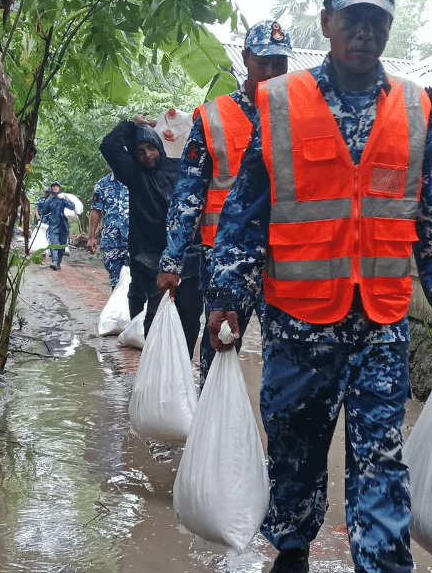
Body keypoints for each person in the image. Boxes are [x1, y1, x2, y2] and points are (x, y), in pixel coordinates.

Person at [205, 0, 432, 573]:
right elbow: (245, 210)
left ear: (389, 25)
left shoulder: (415, 107)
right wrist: (228, 298)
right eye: (351, 17)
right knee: (294, 450)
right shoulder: (279, 103)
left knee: (381, 457)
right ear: (326, 24)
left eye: (377, 19)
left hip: (381, 320)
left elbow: (430, 211)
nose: (364, 30)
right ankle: (291, 560)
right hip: (299, 321)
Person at [157, 19, 294, 381]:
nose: (271, 72)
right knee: (219, 343)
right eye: (263, 62)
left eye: (279, 64)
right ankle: (207, 425)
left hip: (287, 257)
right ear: (246, 58)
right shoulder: (213, 117)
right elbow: (187, 194)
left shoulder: (300, 115)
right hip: (225, 258)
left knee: (287, 354)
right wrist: (172, 260)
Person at [100, 113, 204, 355]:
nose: (147, 155)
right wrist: (133, 124)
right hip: (149, 254)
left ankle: (182, 366)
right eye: (140, 151)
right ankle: (154, 363)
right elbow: (109, 146)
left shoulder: (180, 169)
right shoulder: (134, 175)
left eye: (151, 148)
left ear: (160, 146)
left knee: (189, 314)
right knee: (156, 312)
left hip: (185, 255)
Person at [88, 172, 130, 288]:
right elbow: (96, 210)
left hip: (136, 242)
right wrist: (91, 237)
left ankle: (134, 306)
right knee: (116, 282)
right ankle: (118, 306)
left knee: (137, 284)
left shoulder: (139, 179)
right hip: (112, 242)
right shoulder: (102, 184)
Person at [35, 181, 75, 270]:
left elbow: (72, 207)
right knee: (54, 244)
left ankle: (58, 263)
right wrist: (43, 208)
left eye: (56, 186)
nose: (55, 188)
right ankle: (54, 261)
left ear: (59, 188)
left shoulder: (64, 198)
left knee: (62, 245)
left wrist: (64, 199)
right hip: (53, 225)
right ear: (51, 189)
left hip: (64, 226)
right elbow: (44, 212)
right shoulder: (49, 200)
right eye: (53, 186)